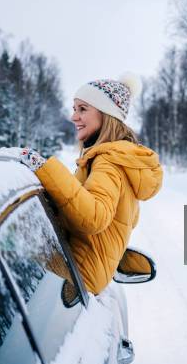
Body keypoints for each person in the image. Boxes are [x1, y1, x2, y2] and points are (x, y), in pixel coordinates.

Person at [19, 72, 163, 295]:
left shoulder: (108, 161)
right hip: (85, 272)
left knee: (8, 240)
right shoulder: (122, 158)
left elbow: (94, 217)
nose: (73, 117)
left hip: (77, 272)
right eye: (74, 108)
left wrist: (43, 168)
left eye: (83, 109)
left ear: (106, 115)